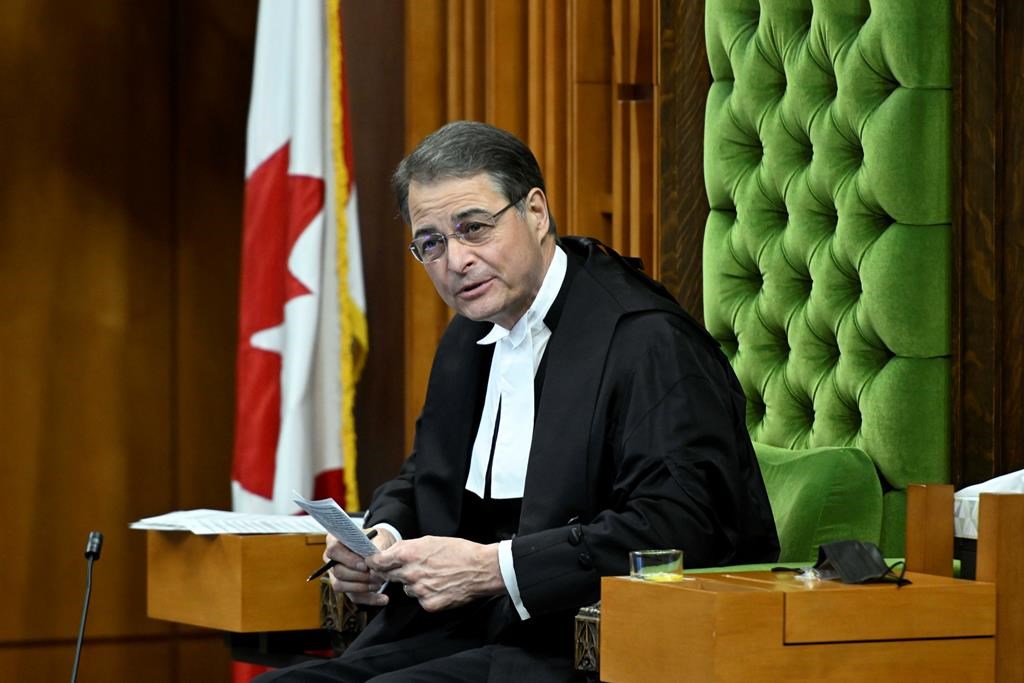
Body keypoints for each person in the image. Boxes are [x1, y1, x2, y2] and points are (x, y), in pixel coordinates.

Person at [256, 121, 779, 682]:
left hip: (584, 642)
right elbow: (425, 478)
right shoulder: (469, 334)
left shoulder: (647, 341)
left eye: (474, 228)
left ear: (535, 213)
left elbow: (678, 526)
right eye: (431, 242)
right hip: (468, 630)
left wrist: (494, 569)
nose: (455, 261)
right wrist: (382, 542)